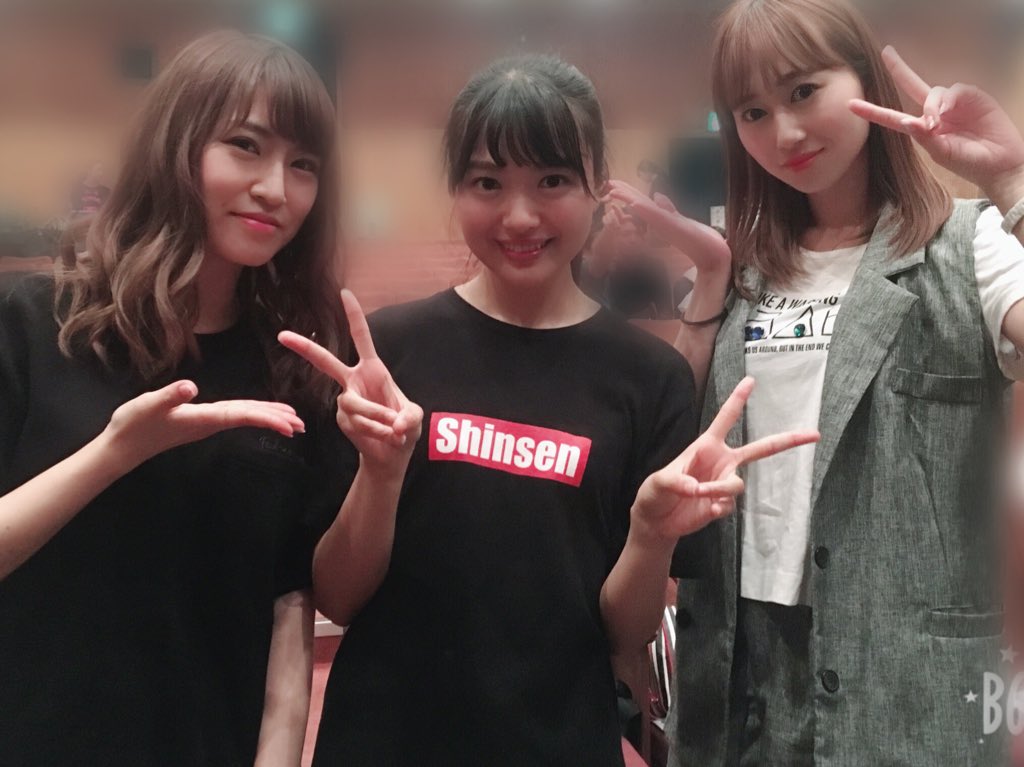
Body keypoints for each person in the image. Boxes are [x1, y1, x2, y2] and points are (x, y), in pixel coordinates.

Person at [279, 54, 816, 766]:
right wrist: (380, 474)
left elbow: (625, 637)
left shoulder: (648, 376)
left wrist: (650, 534)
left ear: (598, 186)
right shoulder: (389, 354)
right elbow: (338, 598)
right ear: (456, 188)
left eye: (553, 181)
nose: (520, 215)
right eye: (487, 182)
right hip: (384, 739)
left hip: (561, 740)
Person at [609, 0, 1024, 763]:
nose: (785, 132)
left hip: (901, 667)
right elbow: (673, 432)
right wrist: (710, 279)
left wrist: (1012, 180)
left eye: (804, 92)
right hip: (738, 661)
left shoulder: (970, 245)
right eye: (753, 112)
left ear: (864, 80)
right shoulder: (747, 270)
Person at [0, 31, 346, 767]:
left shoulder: (293, 367)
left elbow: (291, 601)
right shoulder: (36, 322)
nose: (276, 189)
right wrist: (115, 454)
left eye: (303, 165)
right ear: (175, 145)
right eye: (246, 146)